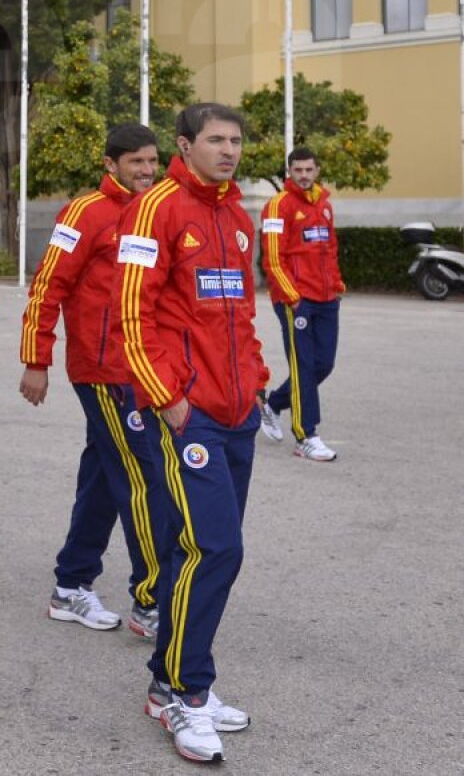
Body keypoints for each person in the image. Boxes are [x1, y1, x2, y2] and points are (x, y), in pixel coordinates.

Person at [109, 103, 267, 765]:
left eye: (236, 140)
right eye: (216, 139)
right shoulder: (156, 208)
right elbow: (130, 312)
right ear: (185, 144)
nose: (229, 150)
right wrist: (168, 398)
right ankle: (185, 689)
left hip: (239, 412)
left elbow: (242, 308)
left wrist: (256, 385)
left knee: (193, 549)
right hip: (190, 413)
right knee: (216, 547)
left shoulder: (236, 216)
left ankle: (167, 680)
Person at [19, 123, 172, 640]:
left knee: (106, 475)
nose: (148, 171)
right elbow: (47, 286)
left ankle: (71, 585)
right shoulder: (85, 213)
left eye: (153, 161)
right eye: (137, 163)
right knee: (142, 477)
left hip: (146, 373)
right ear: (111, 164)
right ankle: (152, 598)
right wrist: (35, 359)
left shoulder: (158, 212)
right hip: (103, 372)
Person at [258, 147, 345, 462]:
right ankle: (306, 436)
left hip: (326, 299)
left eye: (309, 170)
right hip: (297, 302)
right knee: (304, 366)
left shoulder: (324, 205)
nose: (304, 176)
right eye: (298, 170)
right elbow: (272, 257)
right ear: (289, 172)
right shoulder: (277, 206)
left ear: (317, 170)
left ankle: (274, 404)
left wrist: (336, 285)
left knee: (323, 364)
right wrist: (291, 297)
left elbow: (331, 248)